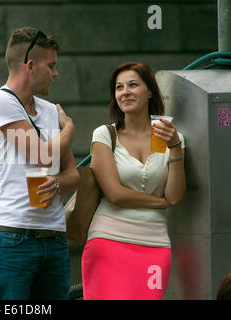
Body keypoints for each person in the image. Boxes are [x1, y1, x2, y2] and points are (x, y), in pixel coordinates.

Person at [0, 26, 79, 300]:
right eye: (52, 66)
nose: (56, 73)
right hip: (14, 240)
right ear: (31, 66)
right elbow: (42, 156)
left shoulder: (49, 110)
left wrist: (57, 183)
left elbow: (74, 175)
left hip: (55, 238)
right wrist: (69, 129)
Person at [81, 62, 186, 300]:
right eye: (119, 87)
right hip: (107, 240)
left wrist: (176, 147)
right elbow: (115, 194)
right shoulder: (105, 135)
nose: (124, 92)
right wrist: (162, 202)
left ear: (150, 91)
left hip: (155, 242)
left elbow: (176, 196)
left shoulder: (172, 138)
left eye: (132, 85)